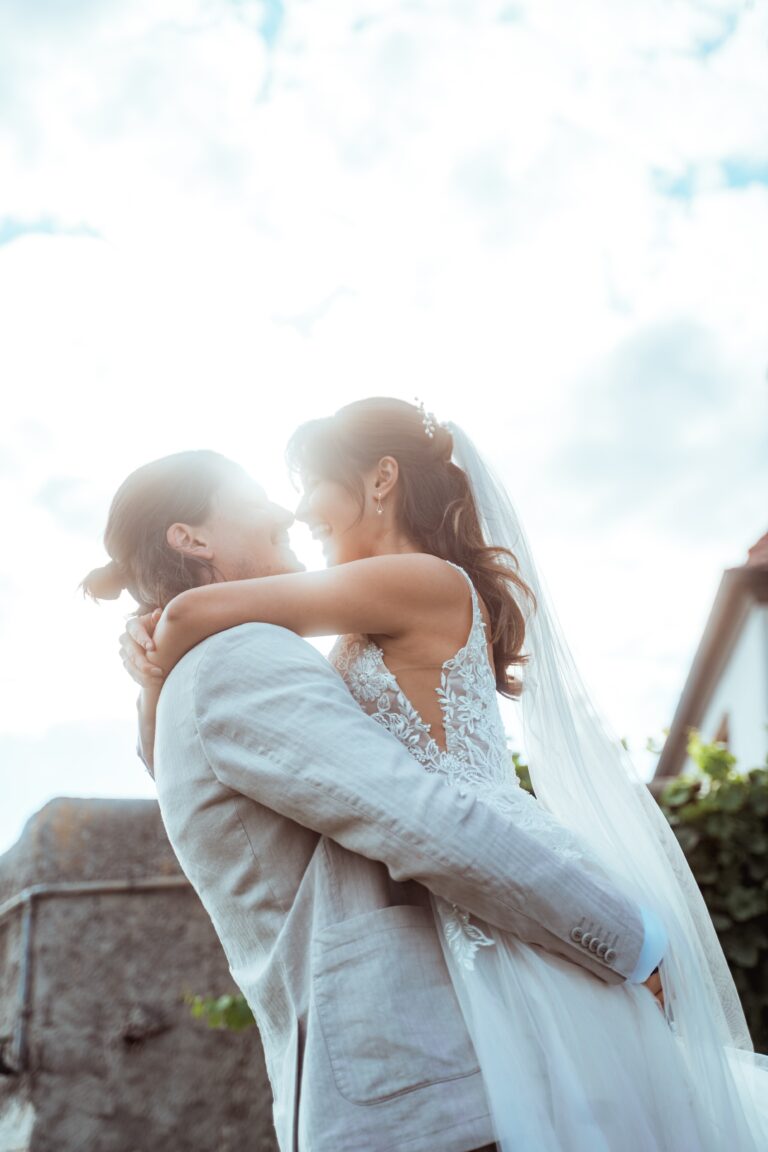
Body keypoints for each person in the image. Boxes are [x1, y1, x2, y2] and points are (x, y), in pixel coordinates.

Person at [110, 399, 768, 1151]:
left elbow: (194, 621)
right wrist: (156, 670)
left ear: (380, 479)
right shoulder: (299, 641)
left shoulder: (418, 580)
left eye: (310, 482)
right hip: (478, 901)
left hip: (494, 880)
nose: (297, 509)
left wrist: (157, 637)